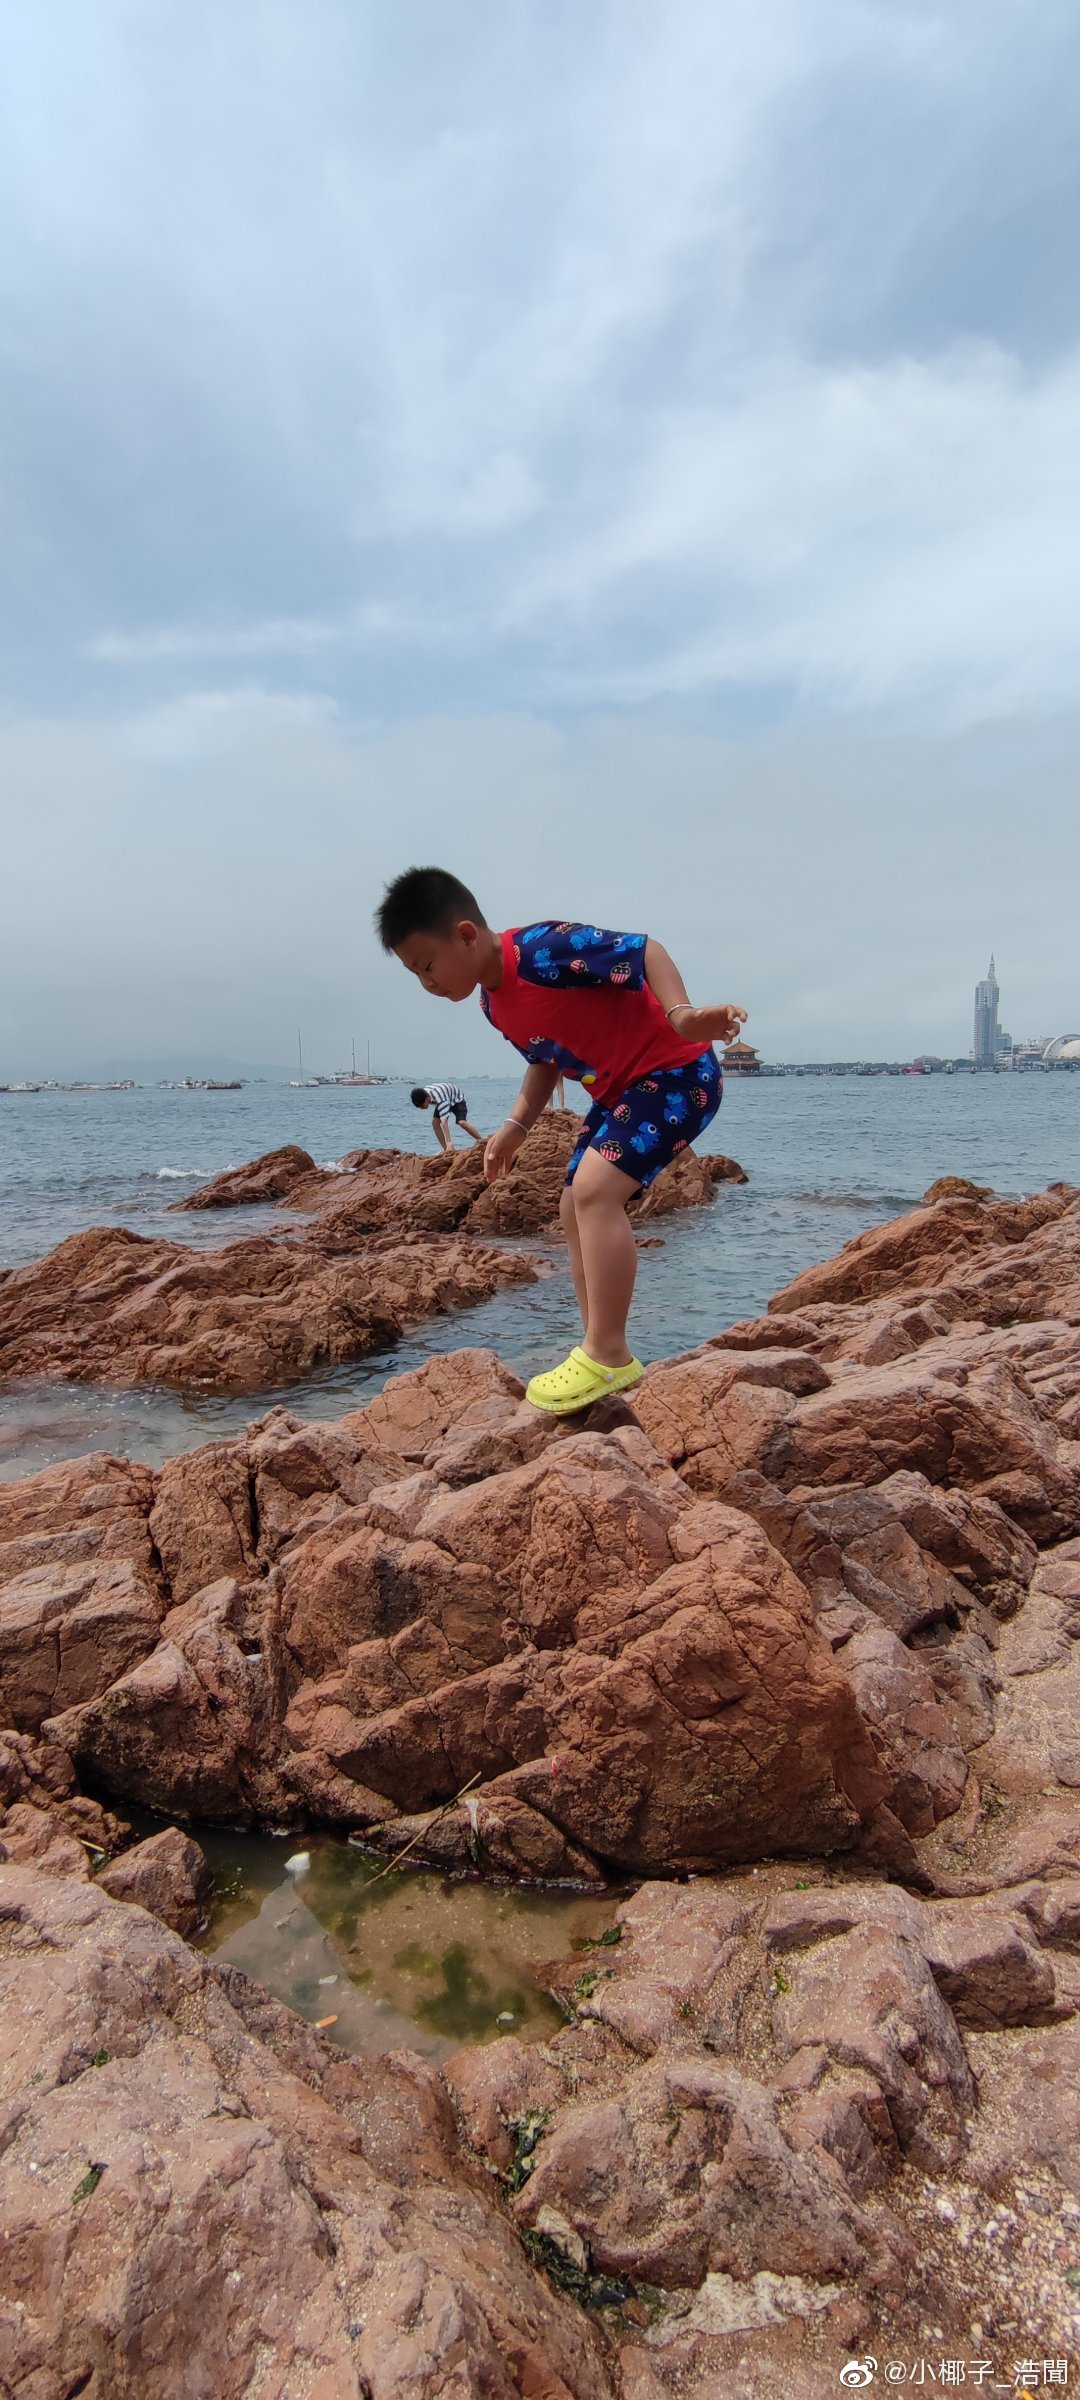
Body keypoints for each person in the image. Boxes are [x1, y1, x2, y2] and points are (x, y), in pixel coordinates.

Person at [379, 868, 747, 1414]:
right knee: (572, 1203)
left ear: (465, 935)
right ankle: (598, 1347)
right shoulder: (492, 1004)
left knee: (596, 1191)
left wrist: (684, 1016)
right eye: (415, 974)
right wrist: (515, 1126)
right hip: (620, 1093)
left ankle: (608, 1353)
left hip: (677, 1074)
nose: (426, 984)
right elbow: (543, 1058)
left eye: (427, 965)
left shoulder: (542, 950)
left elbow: (644, 951)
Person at [410, 1081, 484, 1155]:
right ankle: (445, 1149)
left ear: (426, 1098)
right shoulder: (423, 1094)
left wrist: (449, 1142)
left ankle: (482, 1141)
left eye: (422, 1106)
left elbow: (444, 1122)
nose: (422, 1108)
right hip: (445, 1095)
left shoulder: (440, 1099)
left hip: (456, 1099)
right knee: (435, 1122)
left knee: (461, 1122)